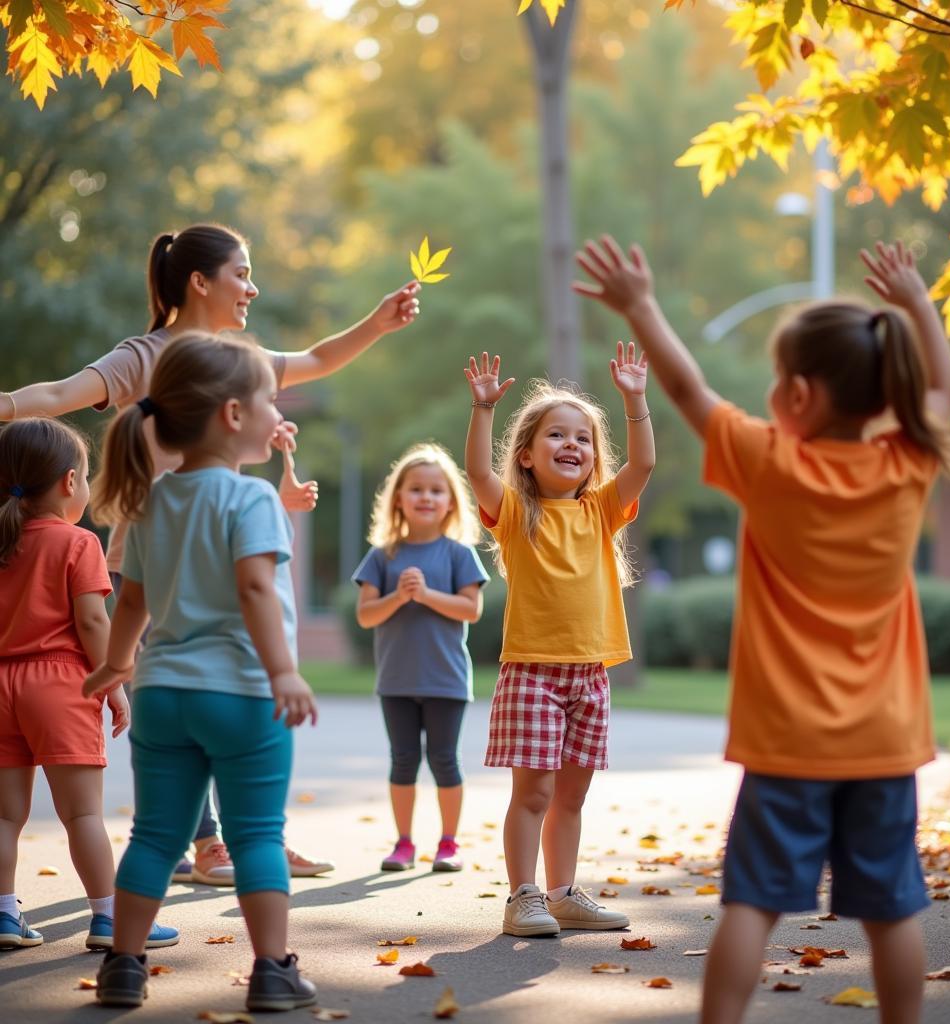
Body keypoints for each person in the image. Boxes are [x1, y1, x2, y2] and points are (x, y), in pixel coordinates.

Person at [574, 236, 950, 1024]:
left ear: (800, 394)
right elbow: (943, 393)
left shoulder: (771, 462)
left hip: (786, 740)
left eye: (780, 378)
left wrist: (641, 305)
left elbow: (685, 388)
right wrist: (917, 302)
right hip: (884, 740)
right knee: (891, 908)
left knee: (752, 903)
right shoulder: (907, 465)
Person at [0, 223, 419, 884]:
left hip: (221, 553)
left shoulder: (239, 362)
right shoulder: (146, 357)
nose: (252, 287)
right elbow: (57, 396)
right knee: (181, 695)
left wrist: (375, 323)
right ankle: (207, 843)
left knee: (245, 688)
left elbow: (316, 358)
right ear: (201, 281)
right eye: (242, 274)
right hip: (154, 559)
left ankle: (255, 836)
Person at [82, 332, 319, 1011]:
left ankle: (123, 966)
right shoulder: (252, 503)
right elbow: (252, 589)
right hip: (242, 694)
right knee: (255, 835)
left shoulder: (151, 499)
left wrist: (116, 665)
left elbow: (132, 597)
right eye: (271, 400)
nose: (279, 415)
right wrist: (284, 673)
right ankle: (272, 972)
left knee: (155, 835)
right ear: (234, 417)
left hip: (161, 694)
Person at [463, 344, 656, 937]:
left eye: (583, 438)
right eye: (556, 436)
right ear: (525, 455)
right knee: (535, 791)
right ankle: (523, 896)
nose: (572, 445)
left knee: (571, 794)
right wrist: (483, 409)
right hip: (532, 672)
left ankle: (562, 892)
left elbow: (644, 465)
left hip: (589, 674)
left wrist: (634, 400)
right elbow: (476, 472)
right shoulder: (518, 511)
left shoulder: (601, 510)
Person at [0, 418, 177, 953]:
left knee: (5, 815)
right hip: (59, 683)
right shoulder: (78, 543)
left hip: (1, 681)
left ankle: (5, 915)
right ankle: (108, 919)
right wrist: (112, 681)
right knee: (82, 814)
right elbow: (94, 622)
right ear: (69, 483)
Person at [354, 443, 489, 873]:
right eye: (416, 489)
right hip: (395, 680)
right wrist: (399, 595)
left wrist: (427, 594)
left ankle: (449, 843)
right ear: (399, 498)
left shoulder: (458, 554)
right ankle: (404, 843)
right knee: (403, 760)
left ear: (451, 502)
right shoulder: (382, 556)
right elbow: (365, 615)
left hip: (446, 680)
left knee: (445, 759)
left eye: (436, 490)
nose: (426, 497)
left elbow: (471, 609)